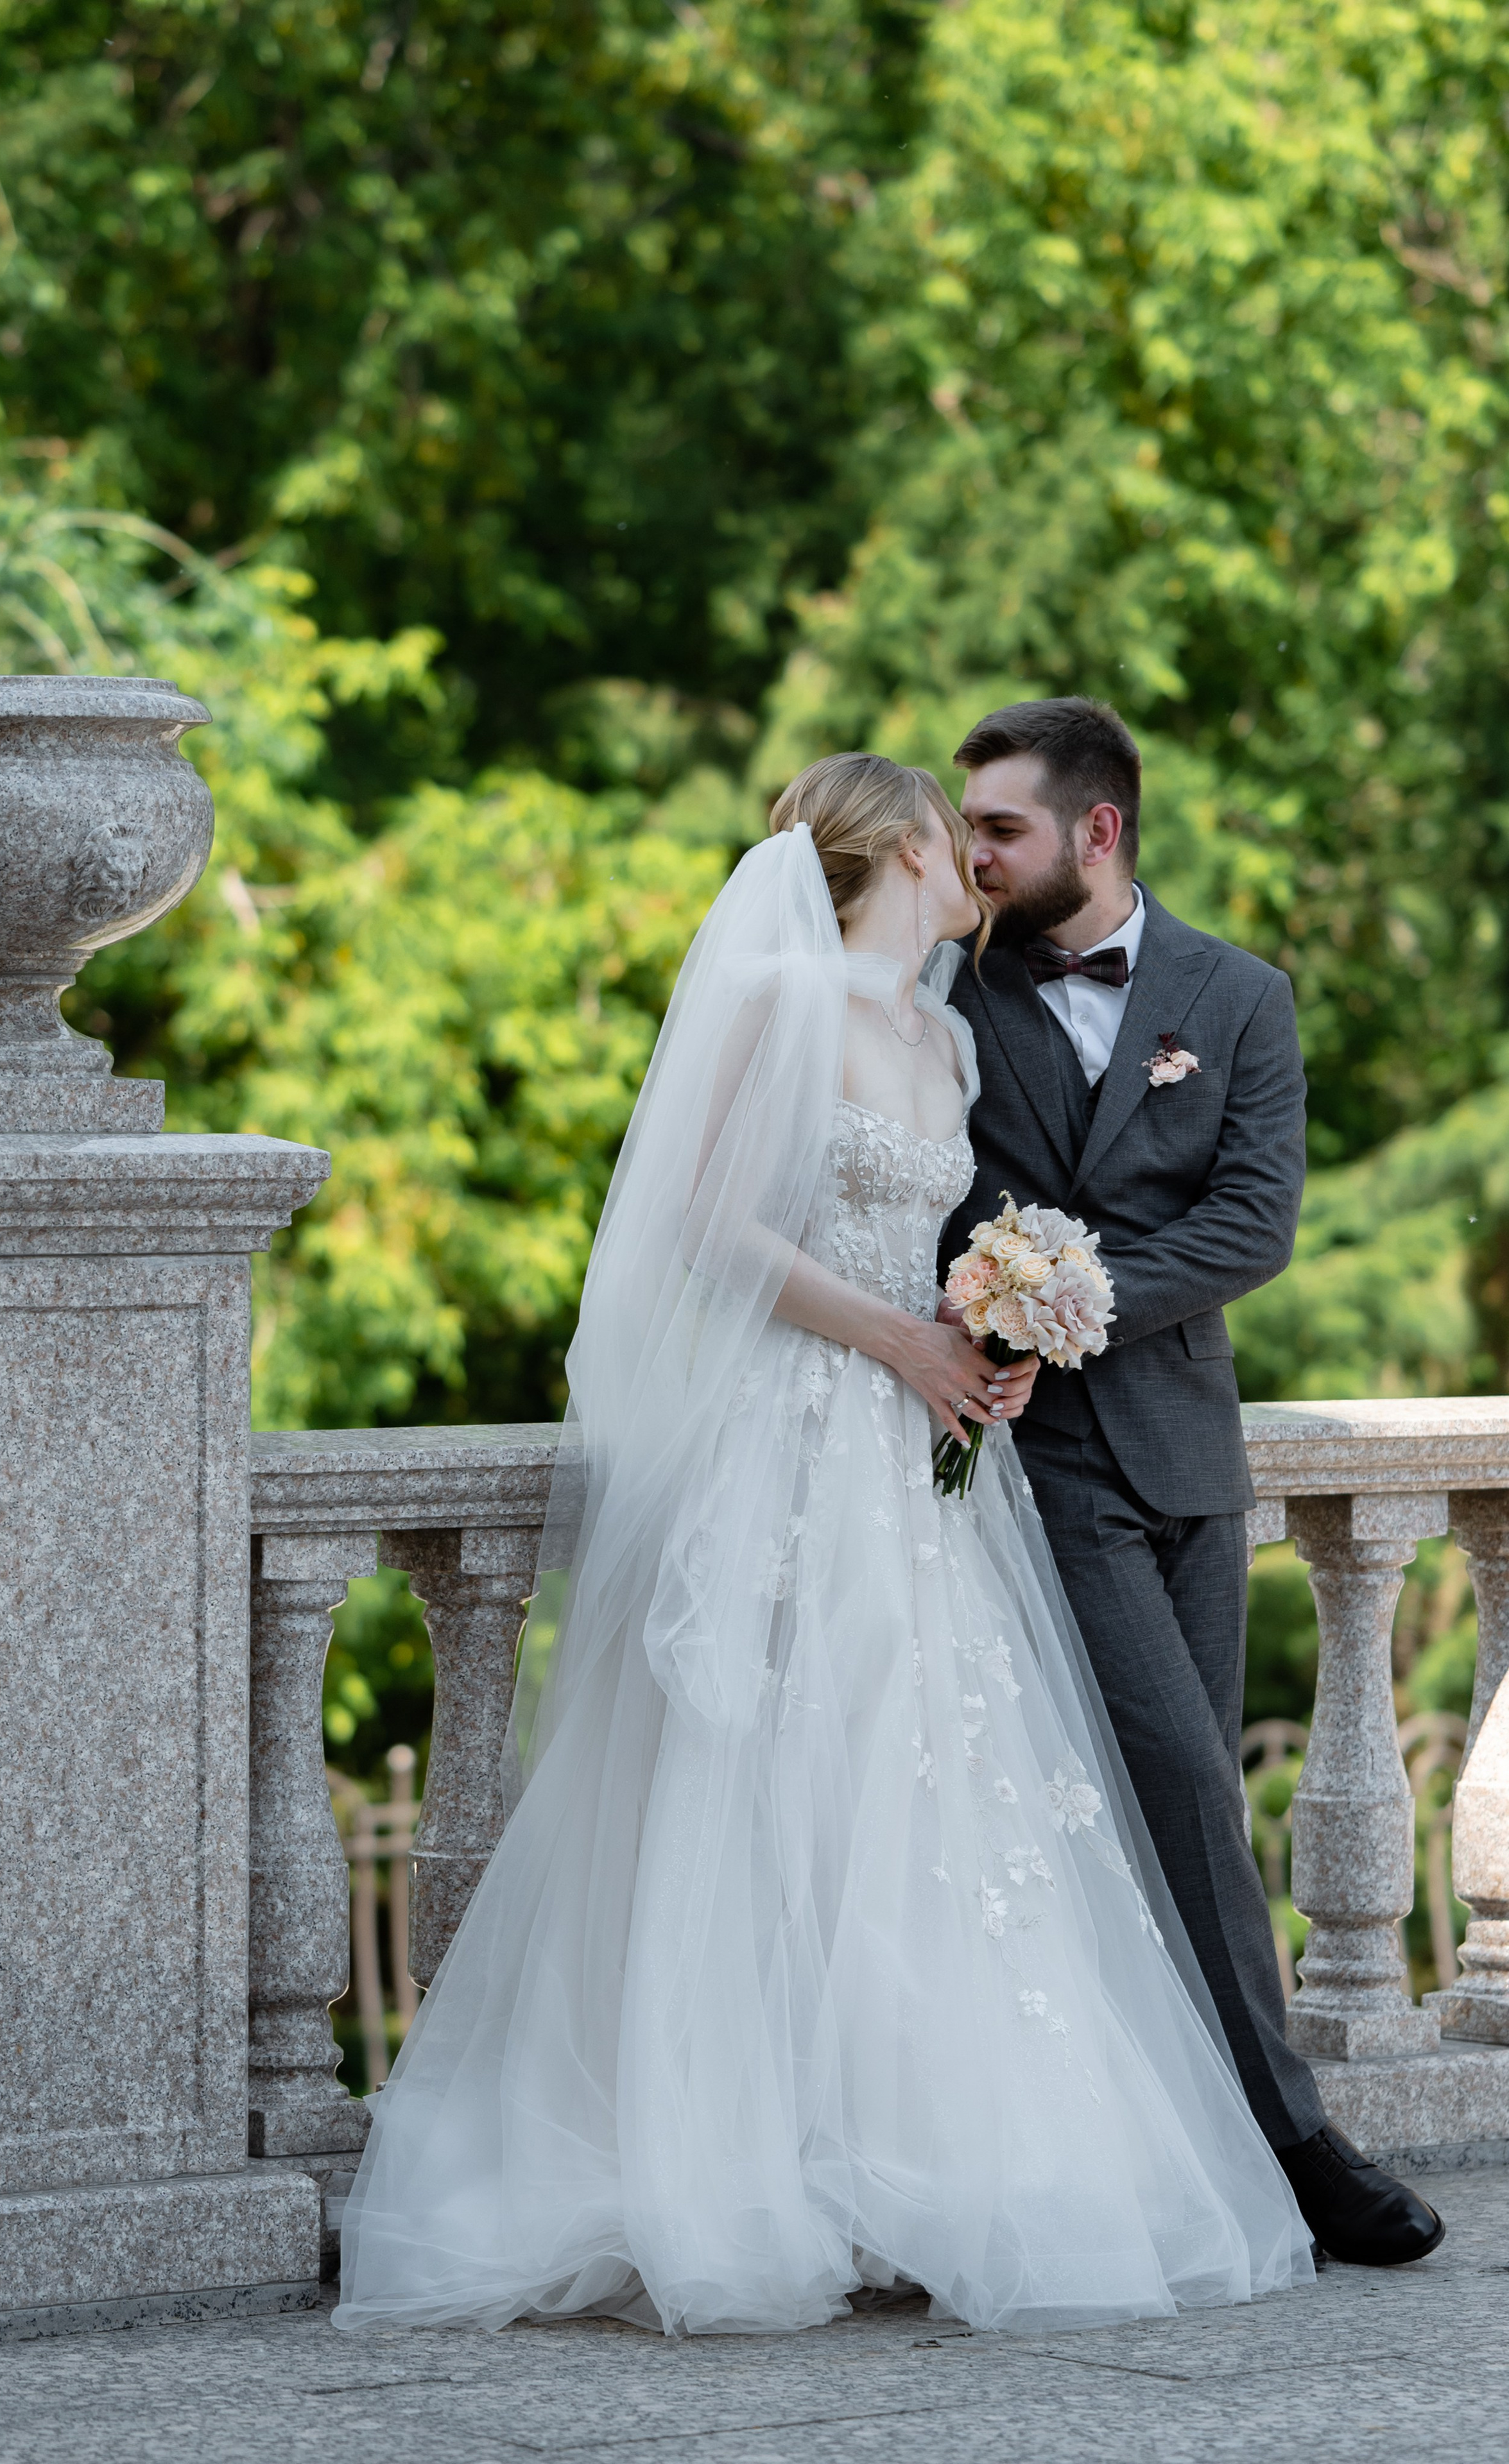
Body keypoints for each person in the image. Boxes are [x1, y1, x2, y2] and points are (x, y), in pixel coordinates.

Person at [336, 751, 1315, 2340]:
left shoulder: (939, 1028)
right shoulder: (778, 1001)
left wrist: (984, 1326)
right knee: (763, 1779)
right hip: (791, 1427)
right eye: (959, 828)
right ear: (904, 845)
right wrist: (894, 1341)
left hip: (917, 1449)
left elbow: (951, 1229)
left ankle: (898, 2153)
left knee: (910, 1780)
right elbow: (704, 1226)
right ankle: (744, 2161)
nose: (975, 857)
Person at [940, 696, 1444, 2270]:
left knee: (1172, 1808)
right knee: (1175, 1790)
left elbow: (1250, 1226)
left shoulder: (1237, 997)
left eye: (1001, 828)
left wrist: (1062, 1297)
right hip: (1028, 1462)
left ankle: (1179, 2140)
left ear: (1096, 831)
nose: (973, 854)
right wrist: (995, 1318)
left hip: (1189, 1461)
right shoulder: (939, 994)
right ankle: (1299, 2143)